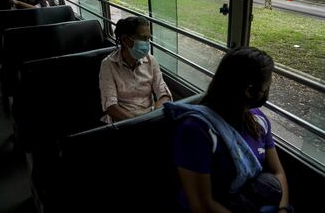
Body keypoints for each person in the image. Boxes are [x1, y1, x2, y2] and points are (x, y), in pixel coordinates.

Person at [164, 47, 292, 212]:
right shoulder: (196, 132)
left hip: (250, 200)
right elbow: (202, 205)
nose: (267, 93)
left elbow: (278, 171)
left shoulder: (257, 120)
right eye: (265, 88)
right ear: (249, 90)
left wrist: (283, 210)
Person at [99, 16, 172, 123]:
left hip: (149, 118)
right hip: (123, 121)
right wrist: (136, 124)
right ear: (125, 40)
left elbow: (164, 94)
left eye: (148, 38)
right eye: (143, 38)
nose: (147, 43)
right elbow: (111, 105)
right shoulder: (108, 65)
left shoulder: (151, 61)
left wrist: (154, 117)